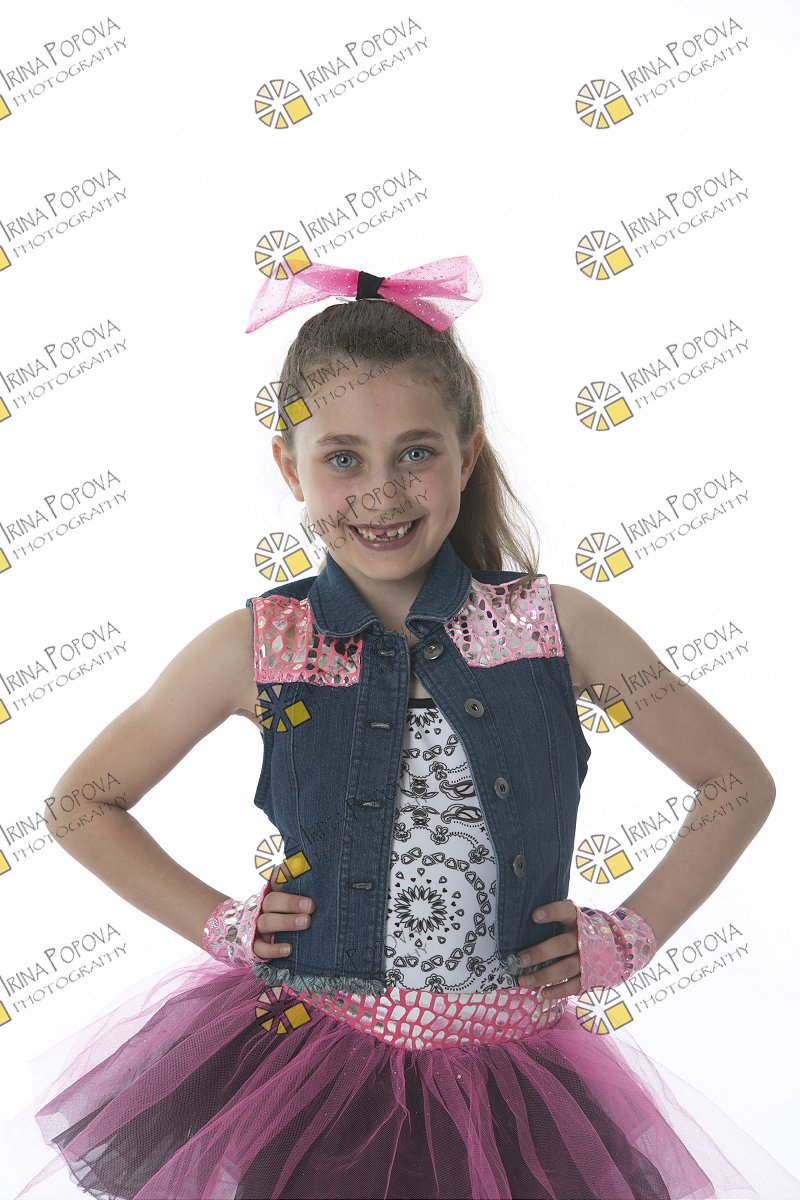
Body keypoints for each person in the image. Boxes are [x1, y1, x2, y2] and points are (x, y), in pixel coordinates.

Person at [13, 258, 800, 1200]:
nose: (382, 492)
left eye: (416, 453)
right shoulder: (263, 646)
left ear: (467, 455)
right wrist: (223, 926)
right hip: (316, 1067)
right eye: (342, 458)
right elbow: (82, 803)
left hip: (512, 1076)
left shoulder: (555, 631)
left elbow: (734, 784)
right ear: (289, 467)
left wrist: (632, 935)